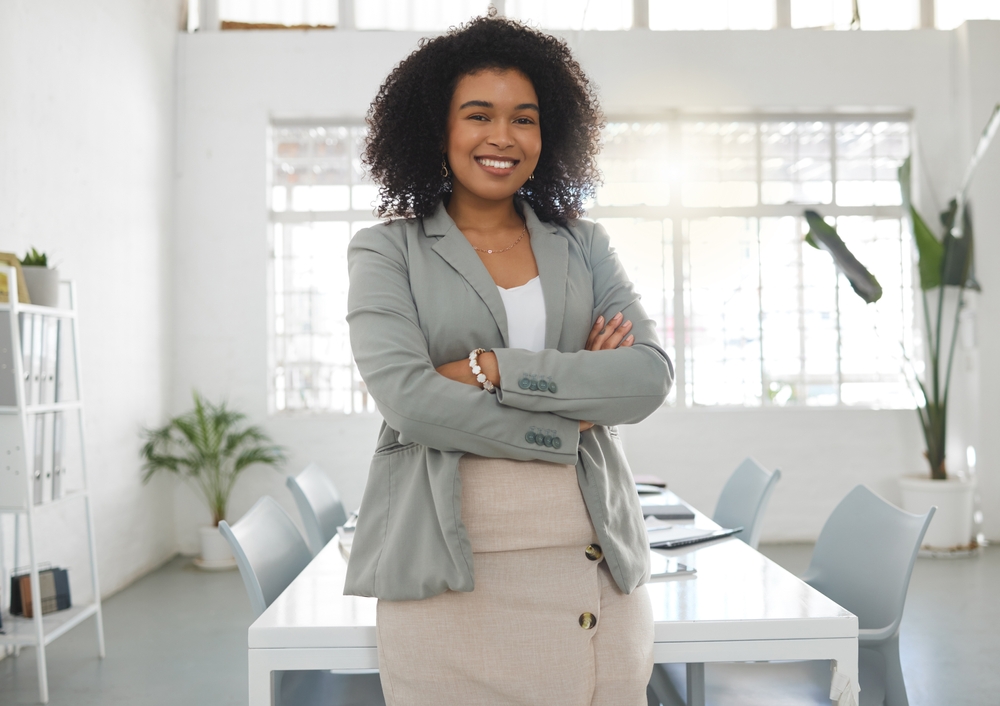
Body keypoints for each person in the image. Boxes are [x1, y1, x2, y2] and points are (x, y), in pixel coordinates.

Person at [345, 13, 673, 706]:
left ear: (548, 133)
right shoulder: (386, 251)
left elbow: (645, 379)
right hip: (449, 572)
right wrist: (568, 414)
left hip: (593, 565)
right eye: (478, 115)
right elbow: (408, 401)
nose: (503, 137)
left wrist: (494, 368)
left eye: (524, 118)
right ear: (437, 130)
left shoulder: (584, 245)